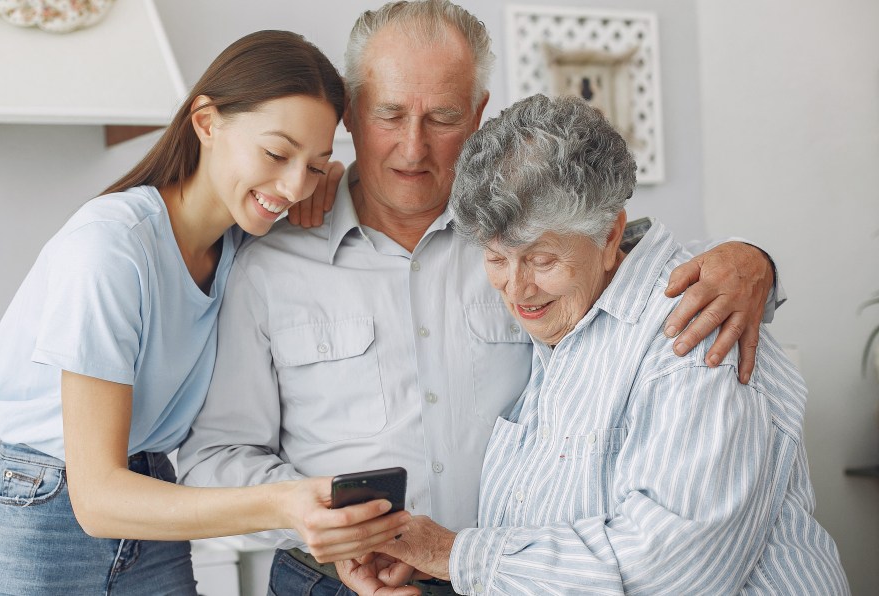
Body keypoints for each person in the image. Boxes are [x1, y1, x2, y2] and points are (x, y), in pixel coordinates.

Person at [176, 2, 780, 594]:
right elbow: (216, 458)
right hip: (333, 582)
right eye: (389, 115)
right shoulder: (268, 261)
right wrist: (330, 523)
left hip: (519, 576)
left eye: (441, 117)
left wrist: (757, 264)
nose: (412, 149)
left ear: (477, 113)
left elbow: (630, 267)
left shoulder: (521, 232)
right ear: (351, 113)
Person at [0, 30, 409, 596]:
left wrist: (333, 182)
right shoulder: (110, 250)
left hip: (155, 498)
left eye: (316, 165)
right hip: (49, 507)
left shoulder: (244, 247)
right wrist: (287, 504)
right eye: (276, 153)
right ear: (206, 121)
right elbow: (97, 499)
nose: (295, 185)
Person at [344, 93, 848, 596]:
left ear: (610, 238)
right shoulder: (568, 318)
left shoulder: (692, 337)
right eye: (496, 259)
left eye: (541, 260)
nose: (517, 290)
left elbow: (671, 573)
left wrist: (456, 555)